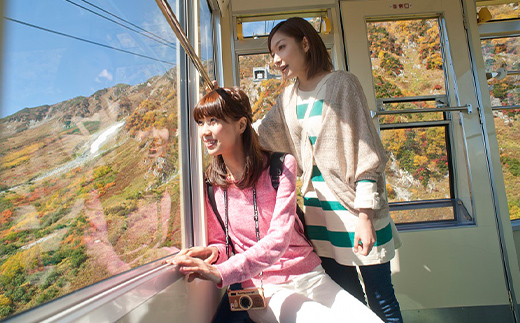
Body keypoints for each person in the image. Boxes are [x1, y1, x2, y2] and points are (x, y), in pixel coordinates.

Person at [171, 87, 382, 323]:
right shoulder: (211, 185)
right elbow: (225, 242)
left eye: (213, 121)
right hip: (265, 287)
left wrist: (220, 272)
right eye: (201, 123)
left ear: (241, 125)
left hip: (310, 274)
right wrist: (214, 253)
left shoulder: (280, 167)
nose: (205, 132)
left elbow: (279, 239)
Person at [252, 17, 403, 322]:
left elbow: (368, 154)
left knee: (380, 296)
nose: (276, 59)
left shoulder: (342, 84)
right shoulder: (288, 98)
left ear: (305, 43)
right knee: (347, 299)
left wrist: (364, 216)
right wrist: (228, 115)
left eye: (282, 47)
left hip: (355, 208)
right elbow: (260, 135)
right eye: (272, 53)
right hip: (318, 214)